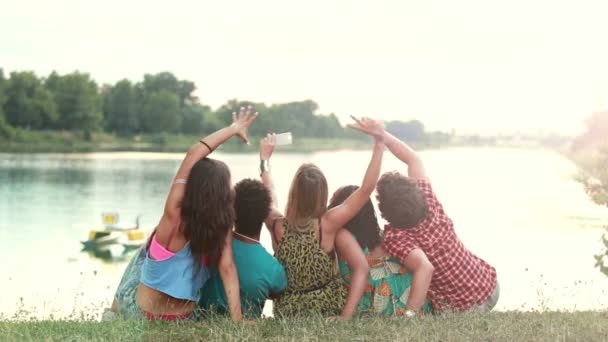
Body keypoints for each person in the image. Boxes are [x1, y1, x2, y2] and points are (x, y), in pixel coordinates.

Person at [112, 106, 258, 321]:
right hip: (182, 318)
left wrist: (233, 128)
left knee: (143, 253)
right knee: (148, 252)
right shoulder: (222, 226)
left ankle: (112, 312)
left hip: (143, 313)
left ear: (193, 187)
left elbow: (193, 154)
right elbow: (227, 269)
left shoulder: (173, 214)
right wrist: (238, 320)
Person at [349, 118, 499, 314]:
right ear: (414, 190)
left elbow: (425, 268)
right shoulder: (428, 199)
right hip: (491, 288)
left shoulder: (396, 237)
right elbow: (413, 159)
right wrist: (382, 136)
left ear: (384, 210)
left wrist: (410, 315)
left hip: (464, 309)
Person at [259, 119, 384, 320]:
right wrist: (379, 143)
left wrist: (264, 158)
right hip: (327, 307)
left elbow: (270, 191)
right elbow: (366, 189)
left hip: (289, 311)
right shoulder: (327, 224)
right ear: (322, 194)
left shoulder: (276, 224)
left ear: (294, 193)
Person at [329, 185, 432, 316]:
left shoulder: (342, 235)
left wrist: (345, 316)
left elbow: (361, 270)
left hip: (382, 298)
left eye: (333, 202)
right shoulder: (387, 234)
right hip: (412, 294)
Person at [198, 178, 288, 318]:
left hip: (203, 320)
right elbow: (279, 294)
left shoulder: (212, 246)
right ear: (265, 216)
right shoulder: (272, 268)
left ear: (231, 213)